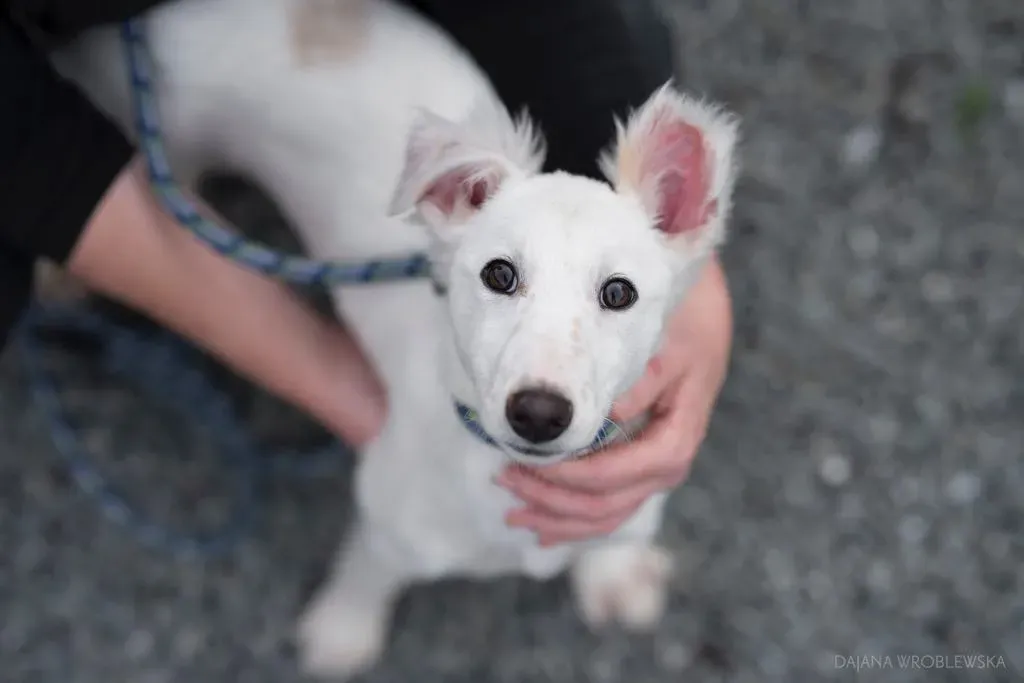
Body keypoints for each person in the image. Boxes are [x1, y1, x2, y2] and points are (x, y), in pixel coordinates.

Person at [0, 0, 733, 546]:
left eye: (616, 293)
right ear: (445, 205)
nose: (541, 396)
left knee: (627, 42)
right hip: (121, 57)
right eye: (503, 276)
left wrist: (693, 283)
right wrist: (343, 388)